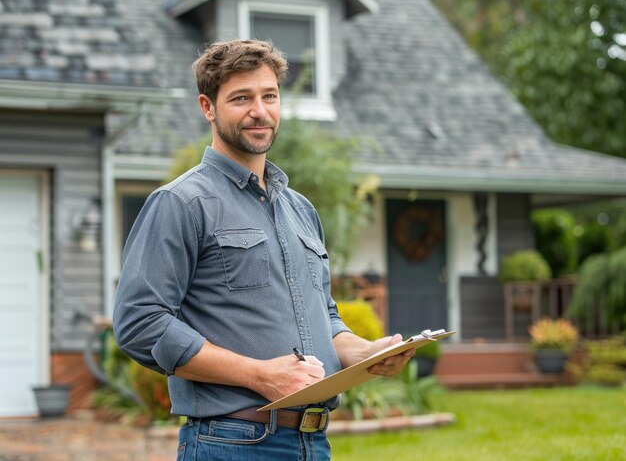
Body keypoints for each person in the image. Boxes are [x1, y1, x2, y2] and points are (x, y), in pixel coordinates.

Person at [113, 39, 415, 461]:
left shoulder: (300, 210)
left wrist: (363, 352)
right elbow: (139, 322)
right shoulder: (180, 203)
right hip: (231, 442)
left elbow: (322, 317)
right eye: (241, 98)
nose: (260, 110)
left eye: (269, 96)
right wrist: (260, 375)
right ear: (208, 107)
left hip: (313, 441)